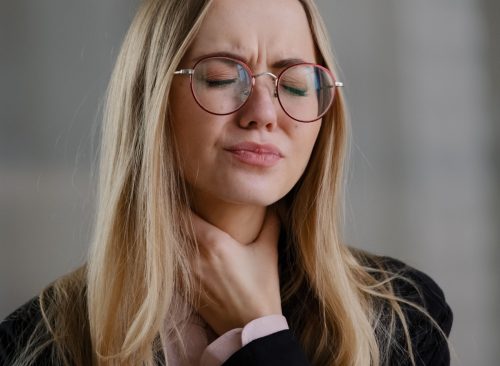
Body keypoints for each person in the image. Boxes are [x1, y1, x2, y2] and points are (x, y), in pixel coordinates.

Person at [0, 0, 453, 365]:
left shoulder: (407, 320)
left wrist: (261, 335)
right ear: (151, 101)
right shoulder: (33, 347)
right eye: (221, 76)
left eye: (294, 85)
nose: (263, 111)